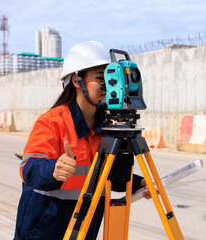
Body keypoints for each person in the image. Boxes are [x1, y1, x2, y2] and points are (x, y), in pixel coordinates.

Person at [14, 41, 150, 240]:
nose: (108, 84)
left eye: (111, 77)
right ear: (77, 81)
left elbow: (108, 177)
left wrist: (138, 183)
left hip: (85, 230)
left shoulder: (108, 129)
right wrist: (53, 170)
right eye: (100, 77)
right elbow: (28, 167)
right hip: (44, 231)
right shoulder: (52, 122)